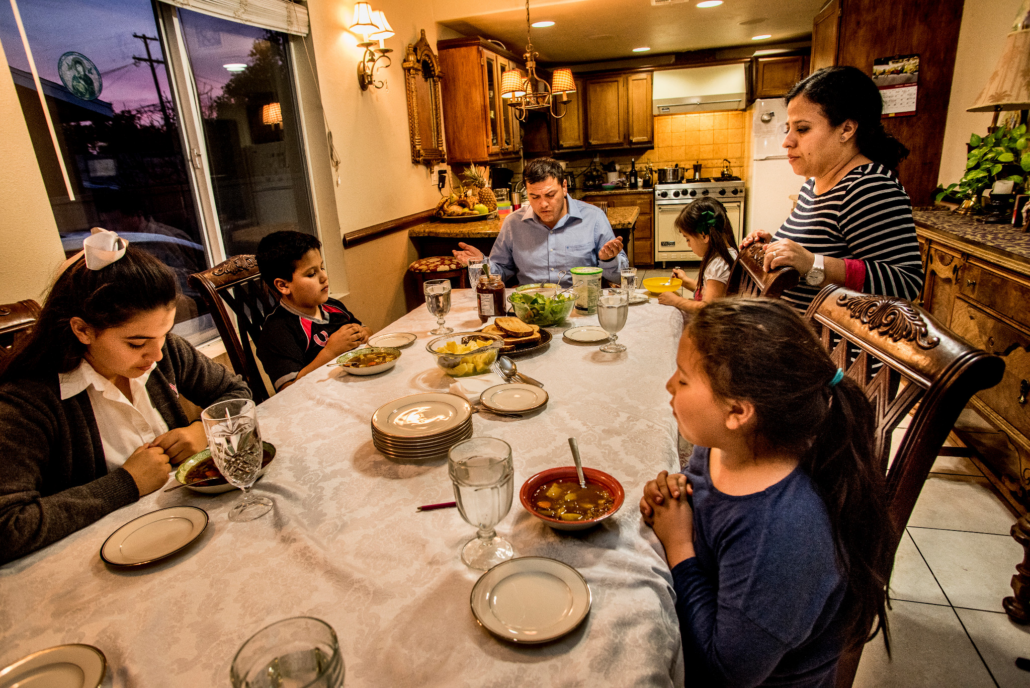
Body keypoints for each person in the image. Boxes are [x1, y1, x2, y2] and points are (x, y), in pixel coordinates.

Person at [640, 299, 892, 686]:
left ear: (738, 412)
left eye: (683, 378)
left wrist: (678, 546)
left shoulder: (781, 531)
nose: (669, 385)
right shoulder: (728, 444)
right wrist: (680, 497)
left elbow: (724, 673)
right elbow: (704, 498)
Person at [0, 233, 251, 564]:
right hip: (94, 564)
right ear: (83, 330)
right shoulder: (28, 402)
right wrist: (126, 483)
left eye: (164, 335)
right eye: (136, 343)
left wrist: (203, 430)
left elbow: (237, 393)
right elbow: (7, 527)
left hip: (186, 533)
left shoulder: (166, 352)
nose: (157, 354)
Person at [743, 66, 924, 313]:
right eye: (789, 129)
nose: (787, 141)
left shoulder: (867, 187)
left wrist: (810, 262)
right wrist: (774, 247)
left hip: (832, 348)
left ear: (847, 130)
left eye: (802, 129)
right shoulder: (813, 185)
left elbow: (905, 284)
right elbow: (823, 256)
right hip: (798, 336)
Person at [452, 158, 628, 286]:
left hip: (581, 307)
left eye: (550, 195)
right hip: (531, 309)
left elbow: (622, 277)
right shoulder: (514, 223)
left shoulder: (594, 218)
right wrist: (482, 264)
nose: (543, 204)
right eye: (534, 197)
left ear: (564, 187)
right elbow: (501, 272)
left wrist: (609, 259)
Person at [256, 231, 370, 392]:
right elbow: (288, 390)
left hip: (355, 385)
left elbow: (368, 330)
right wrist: (331, 352)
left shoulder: (333, 306)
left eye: (322, 267)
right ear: (283, 285)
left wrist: (362, 333)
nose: (324, 277)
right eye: (311, 274)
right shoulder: (277, 331)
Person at [656, 197, 738, 315]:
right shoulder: (728, 254)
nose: (688, 245)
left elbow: (708, 308)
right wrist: (685, 281)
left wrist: (677, 301)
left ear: (704, 236)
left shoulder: (719, 264)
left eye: (688, 239)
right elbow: (712, 291)